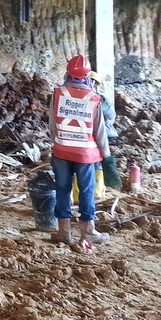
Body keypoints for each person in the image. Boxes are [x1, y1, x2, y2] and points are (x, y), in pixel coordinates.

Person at [47, 55, 111, 245]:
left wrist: (58, 141)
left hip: (61, 152)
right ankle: (88, 231)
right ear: (87, 76)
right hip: (85, 154)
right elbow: (100, 131)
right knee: (86, 191)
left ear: (67, 72)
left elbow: (52, 125)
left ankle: (64, 233)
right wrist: (106, 155)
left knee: (62, 189)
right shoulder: (94, 98)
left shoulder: (58, 93)